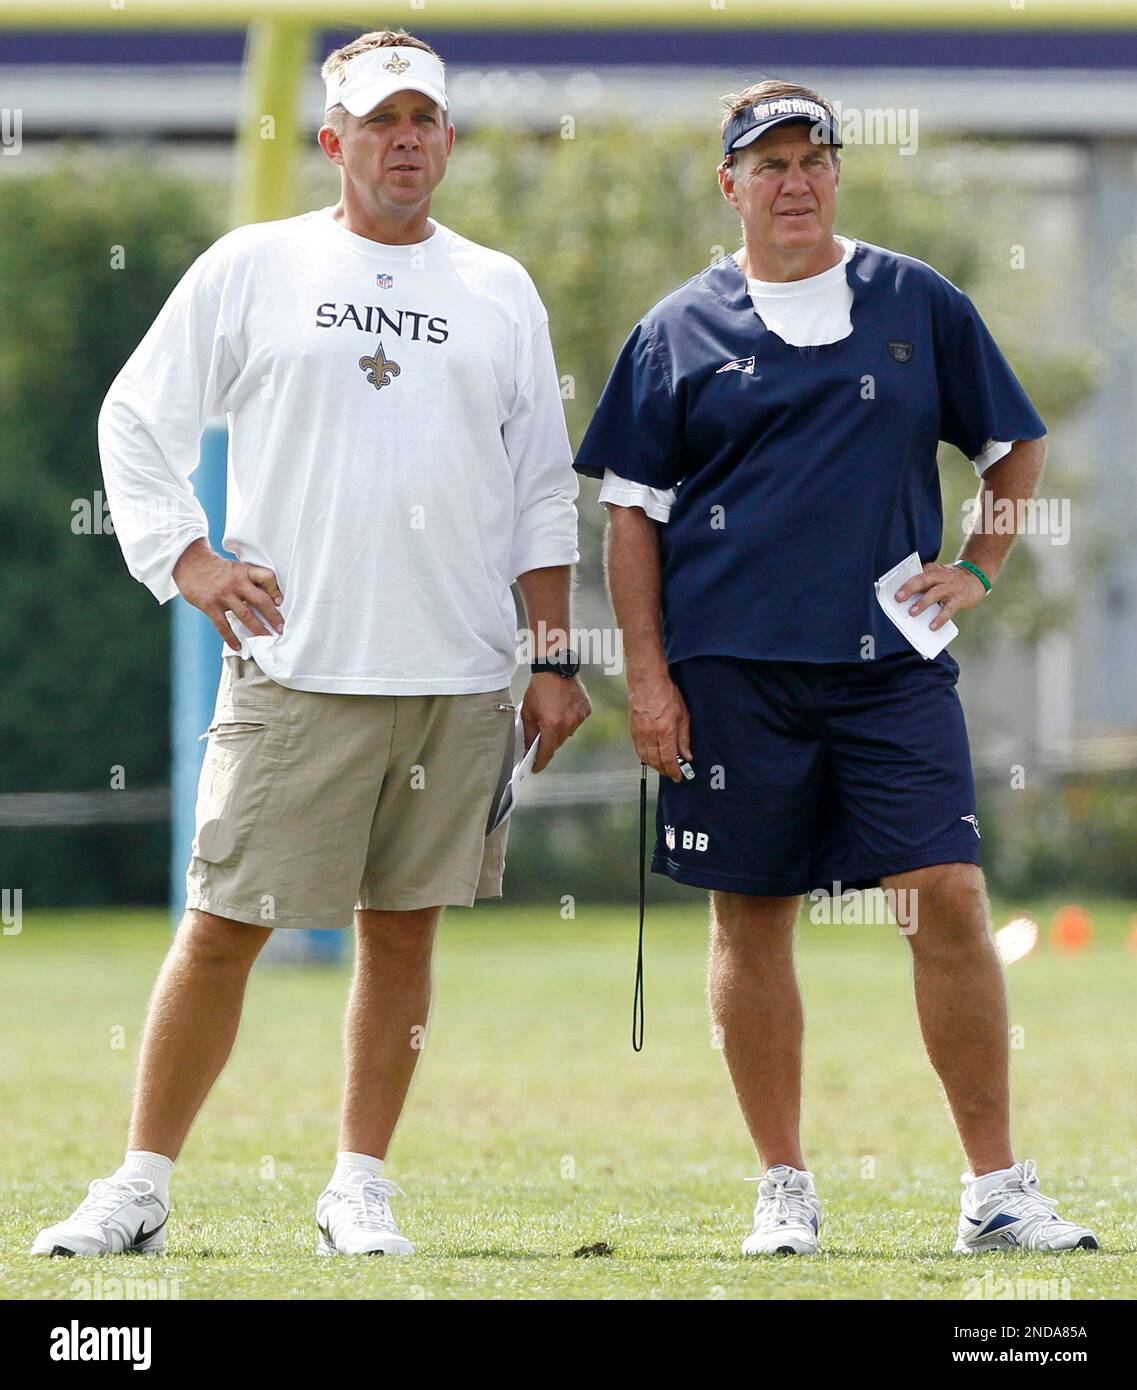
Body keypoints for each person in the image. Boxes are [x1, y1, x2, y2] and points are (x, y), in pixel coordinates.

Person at [33, 28, 590, 1260]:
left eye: (424, 122)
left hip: (456, 677)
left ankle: (359, 1186)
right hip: (296, 670)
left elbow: (541, 486)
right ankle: (136, 1185)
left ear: (446, 138)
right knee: (225, 924)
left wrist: (554, 653)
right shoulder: (253, 265)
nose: (405, 141)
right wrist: (187, 559)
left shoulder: (499, 286)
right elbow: (136, 417)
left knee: (404, 934)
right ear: (333, 140)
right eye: (380, 122)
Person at [574, 80, 1097, 1256]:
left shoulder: (918, 301)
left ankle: (997, 1191)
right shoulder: (674, 331)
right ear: (731, 186)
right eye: (769, 165)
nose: (794, 181)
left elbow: (1015, 445)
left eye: (813, 159)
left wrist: (980, 564)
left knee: (949, 899)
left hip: (888, 673)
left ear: (837, 173)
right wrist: (647, 682)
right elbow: (630, 520)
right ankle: (784, 1188)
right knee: (751, 922)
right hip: (730, 675)